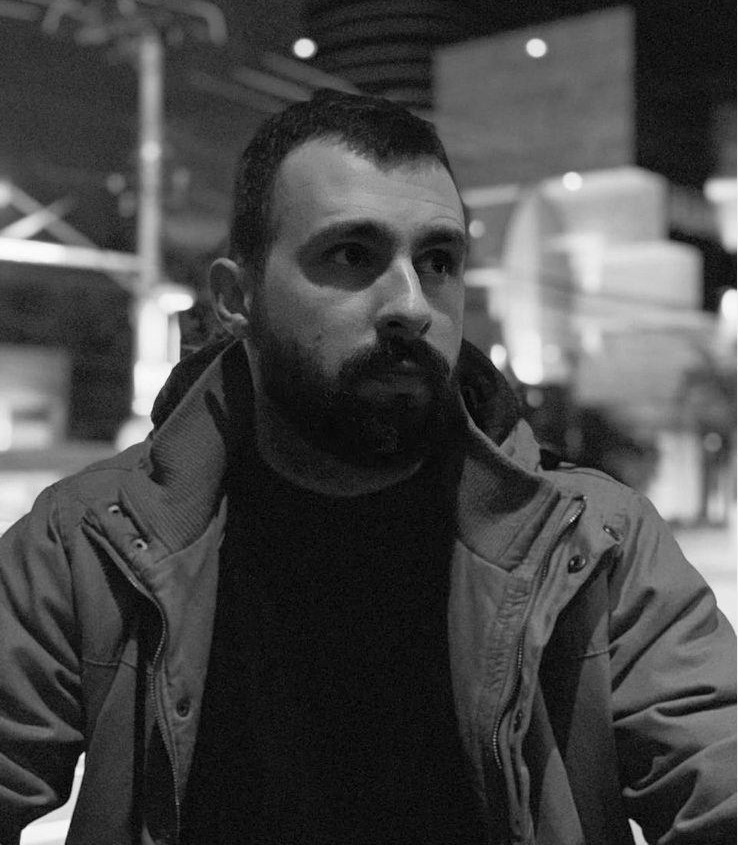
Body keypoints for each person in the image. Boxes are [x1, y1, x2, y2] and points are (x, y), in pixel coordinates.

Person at [0, 90, 735, 845]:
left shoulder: (595, 546)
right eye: (352, 255)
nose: (411, 305)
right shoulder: (87, 546)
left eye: (438, 261)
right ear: (237, 298)